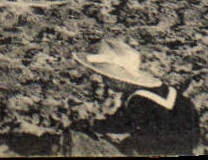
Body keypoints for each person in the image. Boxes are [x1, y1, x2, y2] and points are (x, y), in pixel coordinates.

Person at [66, 38, 200, 156]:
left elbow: (122, 124)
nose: (104, 82)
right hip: (186, 144)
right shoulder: (163, 90)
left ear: (118, 80)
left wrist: (93, 125)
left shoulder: (139, 100)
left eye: (106, 78)